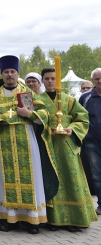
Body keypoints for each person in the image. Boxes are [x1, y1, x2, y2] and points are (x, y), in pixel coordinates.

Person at [0, 55, 57, 235]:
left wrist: (30, 115)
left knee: (31, 179)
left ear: (17, 73)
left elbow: (45, 113)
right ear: (2, 74)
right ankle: (10, 219)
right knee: (6, 181)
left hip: (27, 142)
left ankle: (32, 221)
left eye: (12, 71)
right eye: (6, 72)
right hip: (3, 142)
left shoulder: (26, 92)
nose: (9, 75)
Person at [38, 67, 97, 230]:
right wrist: (45, 129)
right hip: (47, 148)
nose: (50, 81)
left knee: (71, 180)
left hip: (66, 147)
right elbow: (33, 123)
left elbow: (83, 119)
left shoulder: (69, 100)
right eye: (47, 78)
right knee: (50, 181)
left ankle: (75, 219)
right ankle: (53, 220)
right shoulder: (38, 100)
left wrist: (72, 129)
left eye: (53, 78)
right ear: (42, 80)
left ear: (58, 80)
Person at [79, 68, 101, 213]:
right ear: (92, 80)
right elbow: (79, 118)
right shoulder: (86, 97)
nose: (99, 81)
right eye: (97, 79)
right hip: (92, 142)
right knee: (96, 175)